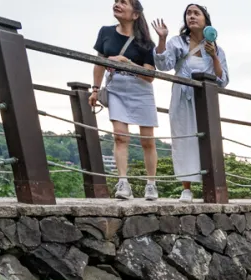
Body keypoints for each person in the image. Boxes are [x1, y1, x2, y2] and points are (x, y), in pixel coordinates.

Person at [152, 5, 229, 203]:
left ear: (206, 20)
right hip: (181, 97)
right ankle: (186, 188)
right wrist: (161, 39)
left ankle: (209, 185)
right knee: (184, 138)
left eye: (196, 13)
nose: (192, 16)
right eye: (188, 13)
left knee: (207, 141)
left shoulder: (217, 49)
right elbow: (163, 64)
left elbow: (223, 81)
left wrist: (213, 56)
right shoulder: (177, 42)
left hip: (205, 99)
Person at [91, 0, 160, 201]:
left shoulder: (146, 42)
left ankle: (151, 184)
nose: (117, 4)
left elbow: (150, 75)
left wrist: (127, 62)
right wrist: (95, 90)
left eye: (123, 2)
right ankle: (123, 182)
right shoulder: (105, 32)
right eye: (116, 2)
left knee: (147, 140)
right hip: (116, 87)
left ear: (135, 14)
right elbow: (98, 63)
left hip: (140, 89)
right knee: (120, 136)